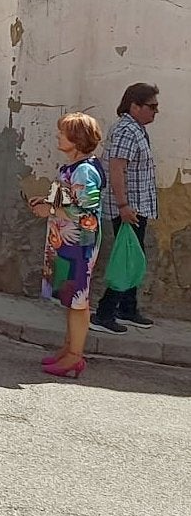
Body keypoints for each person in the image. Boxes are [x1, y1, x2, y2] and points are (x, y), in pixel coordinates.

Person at [30, 113, 105, 379]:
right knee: (71, 297)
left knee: (78, 300)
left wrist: (49, 209)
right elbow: (69, 198)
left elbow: (85, 210)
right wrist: (48, 200)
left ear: (76, 139)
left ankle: (75, 356)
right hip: (68, 241)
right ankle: (69, 348)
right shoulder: (73, 167)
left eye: (62, 133)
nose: (58, 136)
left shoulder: (84, 170)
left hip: (79, 244)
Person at [91, 83, 160, 334]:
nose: (156, 111)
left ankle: (127, 308)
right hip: (128, 207)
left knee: (134, 256)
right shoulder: (126, 131)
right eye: (151, 106)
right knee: (127, 259)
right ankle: (105, 312)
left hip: (138, 206)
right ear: (134, 106)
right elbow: (117, 168)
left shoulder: (137, 129)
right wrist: (123, 205)